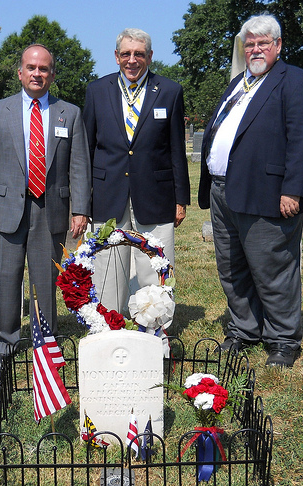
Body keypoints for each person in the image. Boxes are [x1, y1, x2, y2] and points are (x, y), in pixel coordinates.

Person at [198, 14, 303, 367]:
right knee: (232, 268)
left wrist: (293, 189)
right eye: (249, 43)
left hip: (267, 193)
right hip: (223, 192)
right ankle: (243, 329)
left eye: (262, 43)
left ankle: (283, 339)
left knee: (273, 269)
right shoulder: (240, 82)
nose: (254, 49)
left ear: (277, 46)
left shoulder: (295, 82)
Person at [0, 44, 92, 363]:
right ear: (20, 72)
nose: (37, 73)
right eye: (31, 67)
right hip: (6, 208)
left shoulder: (70, 113)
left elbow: (79, 166)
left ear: (52, 73)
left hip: (50, 209)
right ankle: (3, 343)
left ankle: (44, 340)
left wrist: (80, 209)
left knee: (44, 279)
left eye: (43, 68)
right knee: (5, 278)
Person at [83, 28, 190, 313]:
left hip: (156, 196)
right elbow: (87, 149)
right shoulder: (97, 90)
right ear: (116, 57)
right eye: (126, 54)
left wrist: (181, 199)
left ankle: (156, 336)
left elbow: (176, 148)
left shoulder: (169, 91)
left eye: (139, 54)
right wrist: (82, 200)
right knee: (108, 272)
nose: (133, 60)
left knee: (153, 270)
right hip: (108, 195)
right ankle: (109, 330)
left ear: (150, 57)